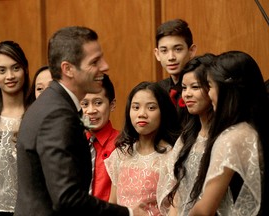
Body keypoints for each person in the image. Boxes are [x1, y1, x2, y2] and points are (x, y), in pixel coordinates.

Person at [14, 26, 147, 216]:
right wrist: (129, 214)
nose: (105, 66)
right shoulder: (57, 114)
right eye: (95, 62)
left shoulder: (52, 103)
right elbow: (66, 197)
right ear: (68, 69)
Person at [172, 51, 269, 215]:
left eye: (209, 86)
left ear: (226, 89)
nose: (209, 94)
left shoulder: (232, 137)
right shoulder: (255, 128)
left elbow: (204, 210)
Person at [104, 81, 181, 215]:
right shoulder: (120, 154)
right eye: (136, 107)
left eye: (151, 108)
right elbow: (113, 205)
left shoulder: (172, 157)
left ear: (163, 111)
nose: (142, 114)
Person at [156, 53, 216, 215]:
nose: (187, 94)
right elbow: (177, 193)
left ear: (213, 88)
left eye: (195, 87)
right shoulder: (186, 136)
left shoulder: (224, 137)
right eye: (184, 88)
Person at [0, 40, 30, 215]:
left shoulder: (37, 111)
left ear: (25, 69)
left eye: (15, 68)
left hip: (28, 209)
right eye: (1, 70)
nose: (9, 76)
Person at [80, 73, 118, 201]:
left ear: (112, 105)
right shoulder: (72, 143)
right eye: (84, 104)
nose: (91, 110)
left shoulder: (122, 144)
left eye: (98, 103)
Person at [154, 19, 197, 109]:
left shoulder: (202, 88)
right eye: (164, 51)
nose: (171, 57)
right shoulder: (157, 91)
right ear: (157, 54)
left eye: (178, 49)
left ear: (191, 51)